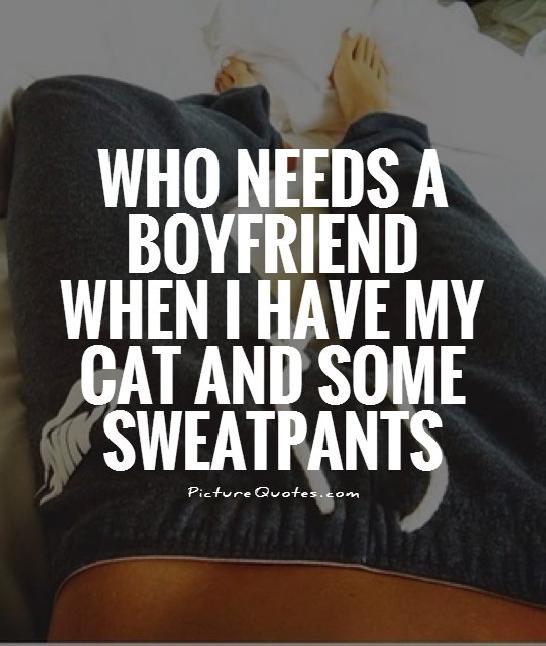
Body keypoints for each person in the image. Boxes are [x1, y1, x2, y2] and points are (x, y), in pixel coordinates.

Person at [5, 31, 546, 641]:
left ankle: (252, 144)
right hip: (529, 515)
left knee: (76, 108)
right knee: (423, 206)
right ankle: (377, 131)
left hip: (180, 507)